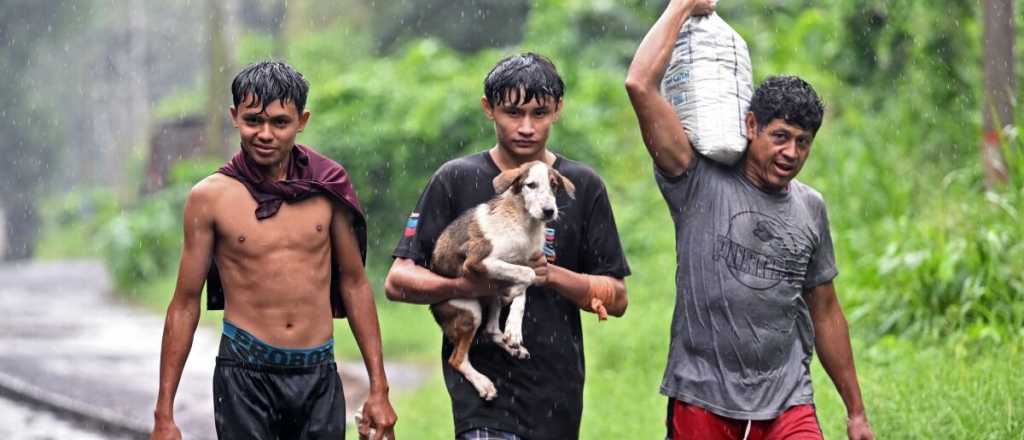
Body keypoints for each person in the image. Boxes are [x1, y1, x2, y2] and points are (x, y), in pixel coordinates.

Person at [624, 2, 876, 439]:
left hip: (787, 400)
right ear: (751, 125)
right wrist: (682, 5)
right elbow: (640, 85)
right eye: (780, 137)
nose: (791, 153)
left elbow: (826, 311)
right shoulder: (695, 179)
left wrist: (856, 411)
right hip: (702, 395)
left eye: (803, 143)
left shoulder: (810, 207)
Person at [384, 53, 631, 440]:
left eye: (540, 113)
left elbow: (615, 298)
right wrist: (462, 288)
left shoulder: (581, 185)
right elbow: (398, 280)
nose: (527, 127)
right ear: (489, 109)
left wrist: (549, 276)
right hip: (483, 406)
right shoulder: (455, 179)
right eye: (513, 112)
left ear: (558, 110)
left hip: (557, 395)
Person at [150, 61, 397, 440]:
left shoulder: (327, 186)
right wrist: (164, 414)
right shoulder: (209, 198)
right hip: (244, 373)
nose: (265, 134)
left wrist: (379, 389)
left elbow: (355, 284)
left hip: (317, 372)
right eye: (253, 121)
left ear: (302, 120)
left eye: (280, 123)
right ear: (234, 117)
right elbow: (184, 302)